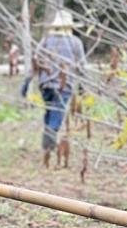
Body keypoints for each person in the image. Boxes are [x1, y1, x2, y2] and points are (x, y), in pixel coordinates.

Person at [32, 9, 86, 167]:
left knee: (49, 112)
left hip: (46, 84)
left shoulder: (46, 40)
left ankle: (47, 143)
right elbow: (81, 65)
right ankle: (49, 145)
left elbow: (36, 58)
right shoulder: (75, 42)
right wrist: (82, 84)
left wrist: (29, 80)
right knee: (56, 115)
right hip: (64, 85)